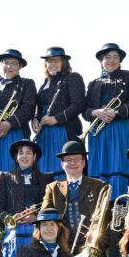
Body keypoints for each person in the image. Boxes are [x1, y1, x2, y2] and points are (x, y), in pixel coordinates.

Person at [41, 141, 111, 257]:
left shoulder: (100, 186)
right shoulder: (52, 188)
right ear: (62, 164)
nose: (73, 163)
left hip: (92, 241)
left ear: (83, 163)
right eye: (68, 160)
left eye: (77, 159)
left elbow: (103, 214)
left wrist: (94, 232)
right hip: (64, 242)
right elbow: (46, 213)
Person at [0, 49, 38, 203]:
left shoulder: (26, 84)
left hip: (13, 133)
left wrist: (10, 123)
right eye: (6, 63)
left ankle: (12, 204)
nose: (9, 66)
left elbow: (29, 108)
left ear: (20, 66)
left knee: (10, 169)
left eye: (14, 63)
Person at [83, 43, 129, 199]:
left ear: (120, 60)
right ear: (101, 60)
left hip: (121, 128)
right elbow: (85, 110)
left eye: (115, 57)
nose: (111, 60)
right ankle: (99, 205)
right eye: (107, 57)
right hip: (98, 131)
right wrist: (96, 112)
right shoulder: (93, 83)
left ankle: (121, 203)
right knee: (100, 166)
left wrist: (116, 111)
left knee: (120, 165)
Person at [0, 139, 52, 257]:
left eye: (28, 153)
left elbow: (51, 207)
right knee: (18, 234)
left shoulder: (46, 178)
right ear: (16, 157)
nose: (24, 156)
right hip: (13, 229)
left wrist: (36, 218)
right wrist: (10, 218)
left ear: (34, 157)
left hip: (39, 227)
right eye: (21, 153)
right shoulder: (4, 177)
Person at [34, 47, 86, 178]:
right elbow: (39, 107)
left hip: (64, 131)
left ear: (64, 62)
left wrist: (56, 119)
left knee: (65, 170)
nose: (53, 64)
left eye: (56, 60)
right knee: (44, 171)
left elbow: (78, 104)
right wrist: (35, 119)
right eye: (49, 61)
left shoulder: (72, 77)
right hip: (44, 135)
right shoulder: (44, 83)